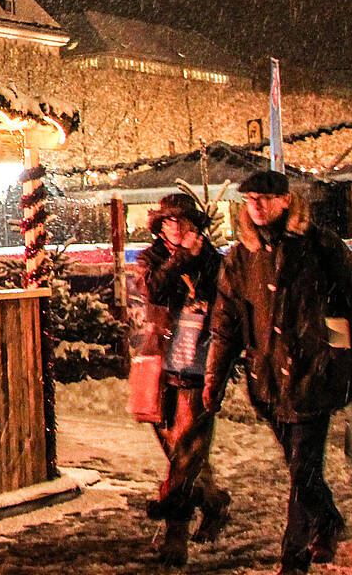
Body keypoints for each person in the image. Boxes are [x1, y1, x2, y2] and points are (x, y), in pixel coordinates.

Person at [205, 171, 352, 575]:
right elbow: (226, 322)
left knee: (302, 471)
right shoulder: (241, 257)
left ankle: (294, 560)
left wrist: (351, 369)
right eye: (250, 199)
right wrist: (215, 377)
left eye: (265, 198)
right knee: (302, 470)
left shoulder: (319, 247)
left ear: (286, 201)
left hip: (313, 378)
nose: (257, 206)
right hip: (266, 382)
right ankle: (329, 521)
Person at [136, 192, 230, 565]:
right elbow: (154, 289)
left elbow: (225, 301)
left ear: (195, 226)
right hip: (160, 364)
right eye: (169, 222)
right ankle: (214, 502)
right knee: (179, 450)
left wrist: (200, 259)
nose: (176, 228)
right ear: (160, 228)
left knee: (188, 448)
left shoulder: (213, 261)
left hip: (199, 364)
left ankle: (175, 535)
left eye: (183, 221)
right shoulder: (152, 258)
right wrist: (182, 257)